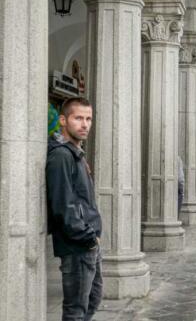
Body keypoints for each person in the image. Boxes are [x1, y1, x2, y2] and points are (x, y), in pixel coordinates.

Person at [46, 97, 103, 321]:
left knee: (92, 300)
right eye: (78, 118)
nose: (85, 124)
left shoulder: (75, 153)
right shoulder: (61, 155)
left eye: (88, 119)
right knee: (75, 310)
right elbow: (63, 206)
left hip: (88, 243)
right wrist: (88, 237)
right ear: (63, 120)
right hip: (78, 246)